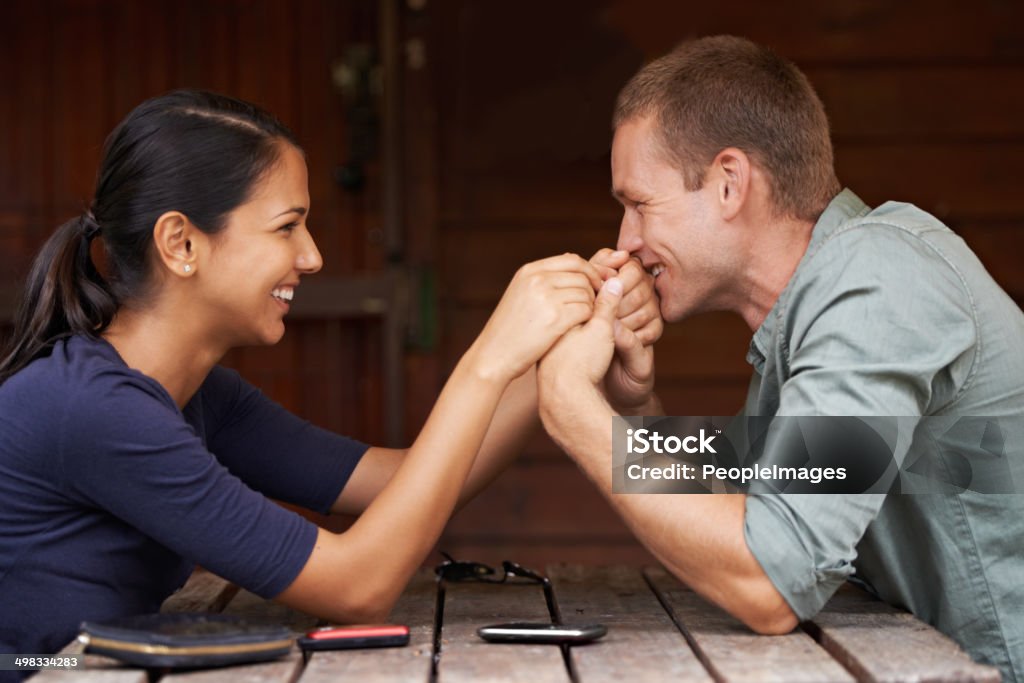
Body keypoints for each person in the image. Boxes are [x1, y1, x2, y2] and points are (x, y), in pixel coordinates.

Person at [0, 89, 660, 673]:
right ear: (181, 244)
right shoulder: (98, 408)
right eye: (287, 226)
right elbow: (355, 585)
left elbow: (409, 482)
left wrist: (561, 359)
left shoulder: (190, 396)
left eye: (638, 204)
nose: (313, 256)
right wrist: (494, 360)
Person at [535, 35, 1024, 680]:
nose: (626, 241)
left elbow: (768, 577)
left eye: (639, 204)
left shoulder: (876, 281)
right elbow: (744, 510)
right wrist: (632, 412)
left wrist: (571, 412)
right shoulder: (813, 308)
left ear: (729, 184)